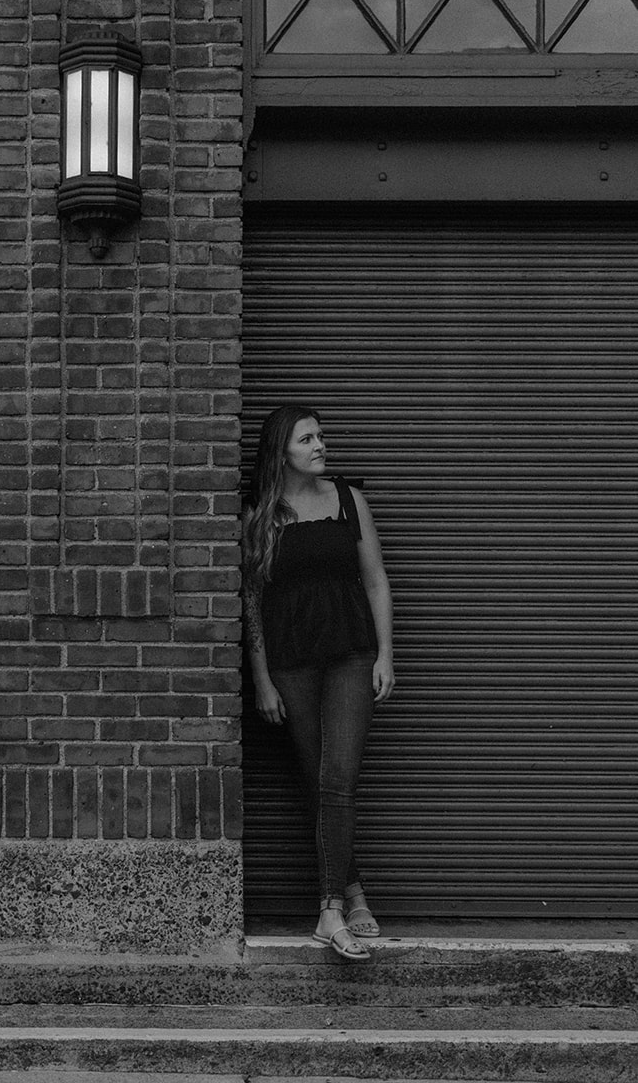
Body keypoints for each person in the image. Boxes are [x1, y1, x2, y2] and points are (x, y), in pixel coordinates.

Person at [243, 404, 394, 961]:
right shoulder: (259, 514)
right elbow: (252, 602)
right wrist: (261, 677)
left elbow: (376, 581)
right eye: (307, 439)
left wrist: (386, 655)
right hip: (292, 665)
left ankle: (329, 909)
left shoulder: (348, 500)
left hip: (351, 656)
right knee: (319, 784)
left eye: (321, 437)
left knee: (338, 779)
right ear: (281, 452)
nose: (319, 446)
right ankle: (353, 892)